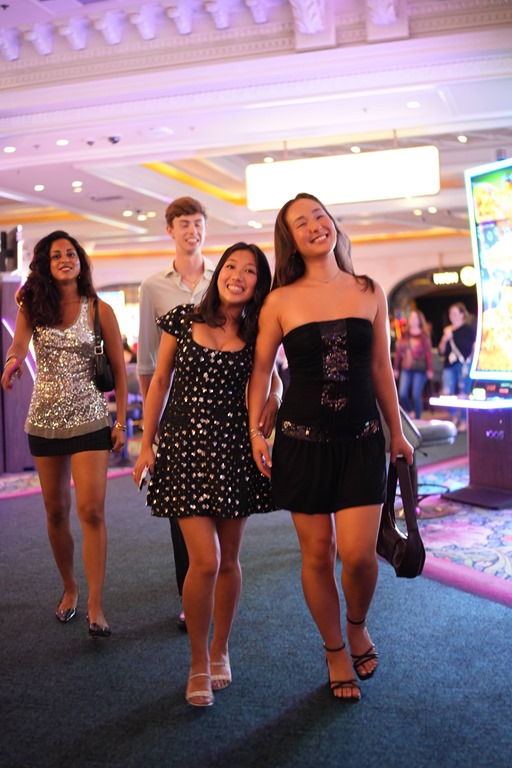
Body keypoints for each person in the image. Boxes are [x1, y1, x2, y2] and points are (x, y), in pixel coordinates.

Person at [248, 193, 413, 702]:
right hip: (302, 444)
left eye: (319, 216)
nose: (315, 225)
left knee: (360, 556)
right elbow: (261, 368)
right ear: (291, 240)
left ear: (333, 224)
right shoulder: (279, 300)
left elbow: (381, 367)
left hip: (363, 441)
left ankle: (357, 623)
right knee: (318, 554)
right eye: (301, 223)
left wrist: (397, 431)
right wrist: (256, 431)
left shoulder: (368, 290)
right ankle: (334, 647)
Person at [132, 243, 281, 707]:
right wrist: (146, 443)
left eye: (250, 271)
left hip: (234, 450)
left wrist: (275, 398)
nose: (238, 275)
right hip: (183, 450)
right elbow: (160, 381)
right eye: (231, 266)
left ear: (259, 284)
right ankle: (198, 660)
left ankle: (221, 649)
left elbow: (271, 376)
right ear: (219, 274)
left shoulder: (258, 331)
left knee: (230, 559)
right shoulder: (183, 318)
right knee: (206, 560)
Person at [1, 230, 128, 638]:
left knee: (91, 510)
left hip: (90, 419)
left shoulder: (100, 309)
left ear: (80, 261)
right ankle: (70, 587)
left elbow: (119, 371)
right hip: (44, 420)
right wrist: (12, 363)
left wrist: (121, 423)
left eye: (70, 253)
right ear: (45, 264)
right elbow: (19, 346)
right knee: (55, 510)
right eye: (55, 255)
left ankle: (96, 604)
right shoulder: (33, 307)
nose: (64, 259)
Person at [137, 197, 216, 630]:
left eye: (198, 223)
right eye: (184, 224)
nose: (192, 231)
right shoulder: (153, 287)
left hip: (222, 411)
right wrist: (151, 430)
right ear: (170, 230)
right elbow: (149, 365)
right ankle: (189, 595)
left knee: (222, 504)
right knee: (183, 508)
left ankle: (217, 587)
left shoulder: (224, 279)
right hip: (177, 415)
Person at [438, 302, 476, 431]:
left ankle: (464, 420)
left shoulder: (469, 329)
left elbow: (473, 347)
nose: (452, 316)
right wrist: (445, 338)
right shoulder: (448, 330)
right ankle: (455, 415)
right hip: (449, 365)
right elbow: (441, 351)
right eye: (450, 313)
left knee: (463, 393)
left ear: (462, 314)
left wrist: (470, 361)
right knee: (447, 393)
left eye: (455, 313)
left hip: (463, 365)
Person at [393, 309, 434, 419]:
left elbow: (428, 354)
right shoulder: (404, 334)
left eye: (415, 318)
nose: (413, 320)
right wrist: (395, 368)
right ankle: (411, 411)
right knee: (402, 394)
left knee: (416, 395)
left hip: (420, 369)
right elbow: (398, 352)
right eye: (411, 317)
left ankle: (418, 418)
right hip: (406, 367)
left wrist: (430, 369)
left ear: (420, 320)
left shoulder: (424, 336)